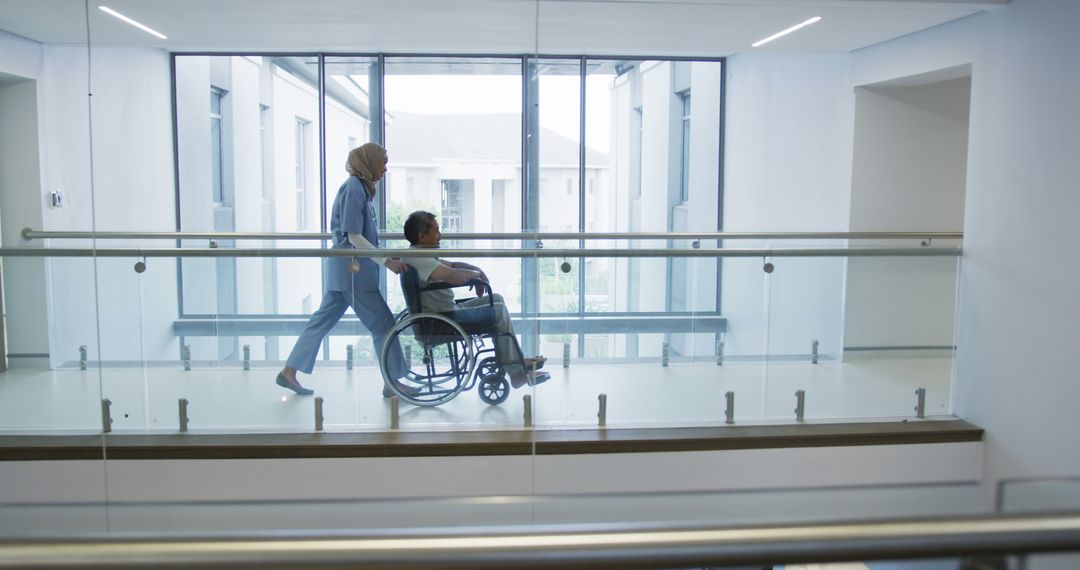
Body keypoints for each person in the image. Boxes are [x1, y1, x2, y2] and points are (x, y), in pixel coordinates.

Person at [275, 143, 409, 396]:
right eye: (383, 162)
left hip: (347, 272)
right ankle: (393, 383)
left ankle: (288, 372)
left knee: (321, 322)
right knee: (384, 325)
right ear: (368, 162)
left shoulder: (361, 189)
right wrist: (387, 262)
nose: (386, 169)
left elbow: (363, 236)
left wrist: (385, 253)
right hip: (354, 274)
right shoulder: (354, 189)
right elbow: (354, 236)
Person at [402, 210, 548, 389]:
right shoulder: (419, 258)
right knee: (499, 310)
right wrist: (477, 276)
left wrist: (477, 270)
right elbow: (453, 275)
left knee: (496, 299)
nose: (440, 235)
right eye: (436, 230)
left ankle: (513, 360)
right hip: (441, 321)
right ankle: (516, 372)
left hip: (445, 313)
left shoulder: (420, 254)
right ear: (422, 235)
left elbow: (453, 265)